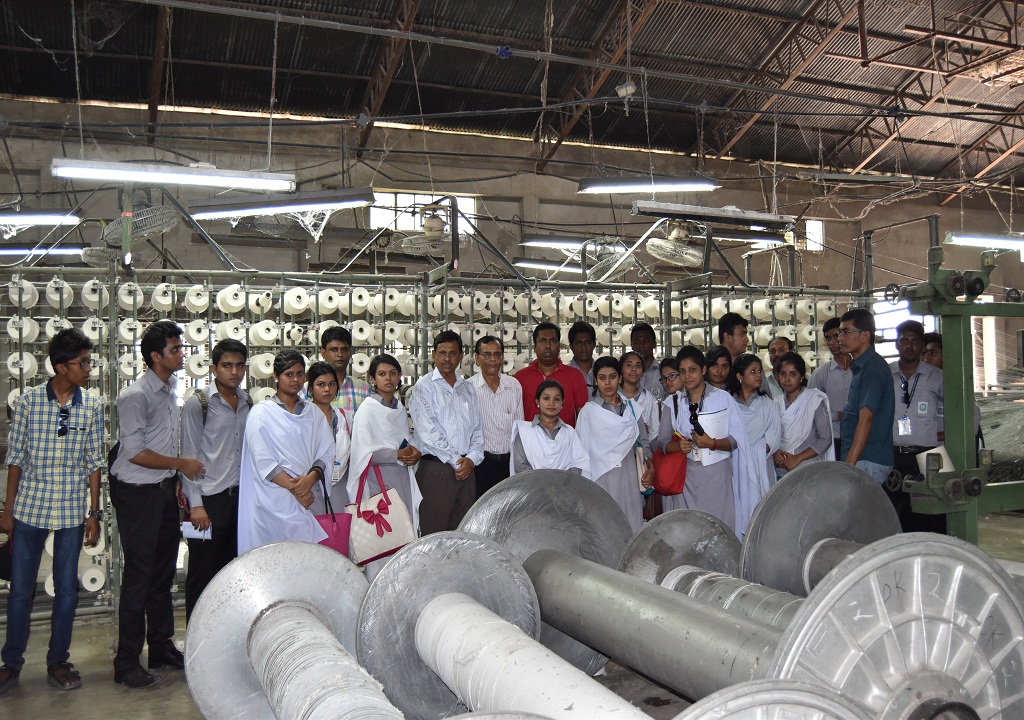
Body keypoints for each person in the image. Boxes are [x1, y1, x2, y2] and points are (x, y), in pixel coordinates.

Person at [0, 329, 103, 694]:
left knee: (68, 591)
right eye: (83, 362)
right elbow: (15, 459)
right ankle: (10, 663)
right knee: (20, 591)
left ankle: (58, 660)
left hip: (73, 510)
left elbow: (94, 462)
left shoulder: (91, 405)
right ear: (61, 366)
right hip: (30, 508)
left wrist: (95, 513)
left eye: (89, 361)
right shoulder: (28, 402)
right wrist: (8, 511)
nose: (89, 368)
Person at [109, 320, 203, 689]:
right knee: (139, 576)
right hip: (137, 495)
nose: (182, 353)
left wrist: (175, 479)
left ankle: (161, 646)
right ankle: (126, 662)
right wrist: (183, 466)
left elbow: (163, 444)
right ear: (155, 356)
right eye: (176, 349)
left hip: (162, 490)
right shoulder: (136, 396)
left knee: (162, 574)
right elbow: (133, 454)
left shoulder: (168, 388)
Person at [180, 338, 250, 623]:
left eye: (239, 366)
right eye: (227, 366)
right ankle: (196, 643)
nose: (234, 372)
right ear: (213, 368)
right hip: (209, 501)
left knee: (234, 572)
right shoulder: (199, 404)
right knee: (202, 574)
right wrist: (195, 504)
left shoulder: (249, 403)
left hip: (241, 500)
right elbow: (189, 455)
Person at [237, 351, 335, 554]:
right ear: (275, 376)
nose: (295, 379)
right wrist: (298, 491)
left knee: (305, 564)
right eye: (288, 374)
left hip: (308, 497)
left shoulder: (313, 413)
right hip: (273, 502)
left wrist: (310, 480)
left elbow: (326, 452)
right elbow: (264, 461)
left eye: (300, 374)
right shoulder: (261, 412)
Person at [656, 346, 755, 535]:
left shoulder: (722, 399)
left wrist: (713, 444)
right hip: (685, 477)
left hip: (717, 477)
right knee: (688, 532)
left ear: (703, 370)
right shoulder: (673, 402)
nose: (687, 376)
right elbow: (661, 441)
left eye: (692, 370)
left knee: (719, 530)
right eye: (682, 372)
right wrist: (676, 446)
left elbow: (736, 441)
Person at [347, 354, 423, 581]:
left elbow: (403, 441)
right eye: (382, 374)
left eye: (392, 373)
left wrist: (413, 453)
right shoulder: (368, 410)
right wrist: (396, 454)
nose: (388, 378)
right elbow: (362, 452)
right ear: (372, 379)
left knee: (403, 535)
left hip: (402, 478)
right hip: (378, 482)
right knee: (382, 539)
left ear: (400, 377)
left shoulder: (398, 409)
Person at [409, 331, 484, 534]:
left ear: (461, 356)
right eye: (442, 353)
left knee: (463, 534)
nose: (447, 358)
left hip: (467, 471)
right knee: (434, 536)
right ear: (434, 355)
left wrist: (472, 459)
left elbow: (477, 430)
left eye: (452, 353)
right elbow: (429, 432)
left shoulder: (468, 389)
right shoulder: (424, 388)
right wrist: (458, 461)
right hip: (436, 470)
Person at [576, 357, 653, 533]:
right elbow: (580, 453)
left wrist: (651, 467)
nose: (608, 383)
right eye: (602, 378)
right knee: (603, 529)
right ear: (595, 381)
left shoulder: (632, 409)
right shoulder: (588, 412)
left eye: (612, 376)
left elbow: (644, 444)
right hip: (601, 478)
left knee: (631, 525)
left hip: (629, 477)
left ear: (620, 378)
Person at [889, 321, 945, 532]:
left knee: (935, 514)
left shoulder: (936, 377)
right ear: (897, 344)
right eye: (904, 340)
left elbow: (963, 410)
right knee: (896, 513)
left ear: (922, 345)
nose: (909, 346)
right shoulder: (887, 374)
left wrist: (943, 434)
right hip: (894, 454)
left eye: (915, 341)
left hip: (930, 455)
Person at [837, 309, 895, 484]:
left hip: (867, 460)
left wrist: (850, 465)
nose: (840, 338)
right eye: (840, 333)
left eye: (846, 332)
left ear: (865, 336)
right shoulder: (862, 367)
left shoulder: (873, 370)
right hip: (861, 460)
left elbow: (866, 419)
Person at [468, 336, 523, 497]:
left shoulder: (513, 386)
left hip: (509, 464)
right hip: (480, 465)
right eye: (487, 354)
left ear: (503, 358)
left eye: (497, 354)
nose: (492, 359)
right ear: (477, 358)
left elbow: (519, 428)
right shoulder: (468, 389)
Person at [727, 354, 781, 510]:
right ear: (739, 376)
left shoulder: (768, 405)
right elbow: (726, 436)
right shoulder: (729, 405)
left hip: (761, 465)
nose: (758, 375)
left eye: (759, 371)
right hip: (735, 466)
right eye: (752, 371)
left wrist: (755, 450)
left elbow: (774, 438)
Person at [510, 380, 590, 477]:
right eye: (546, 398)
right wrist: (544, 484)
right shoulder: (524, 432)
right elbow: (520, 466)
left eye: (556, 399)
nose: (551, 403)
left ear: (562, 403)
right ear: (537, 402)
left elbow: (578, 463)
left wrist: (562, 483)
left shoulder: (569, 432)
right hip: (533, 488)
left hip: (564, 489)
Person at [514, 322, 589, 427]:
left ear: (559, 346)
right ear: (535, 347)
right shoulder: (520, 378)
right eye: (542, 341)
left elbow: (583, 417)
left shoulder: (575, 376)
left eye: (553, 341)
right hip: (530, 441)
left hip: (565, 441)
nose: (548, 346)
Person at [772, 352, 834, 476]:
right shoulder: (775, 404)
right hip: (781, 470)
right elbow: (771, 438)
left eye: (793, 374)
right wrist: (775, 453)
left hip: (808, 469)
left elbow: (826, 438)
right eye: (783, 374)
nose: (787, 379)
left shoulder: (814, 400)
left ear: (801, 377)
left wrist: (797, 458)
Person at [306, 361, 350, 509]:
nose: (327, 389)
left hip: (340, 487)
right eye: (321, 384)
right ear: (310, 387)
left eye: (332, 384)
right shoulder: (303, 418)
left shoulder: (343, 417)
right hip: (310, 487)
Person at [809, 317, 852, 459]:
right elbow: (811, 411)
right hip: (833, 441)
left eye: (836, 336)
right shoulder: (820, 374)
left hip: (859, 438)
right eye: (828, 338)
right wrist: (836, 415)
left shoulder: (861, 370)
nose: (832, 343)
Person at [316, 326, 371, 419]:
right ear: (323, 353)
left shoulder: (364, 390)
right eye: (334, 350)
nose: (339, 354)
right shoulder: (307, 391)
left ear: (350, 352)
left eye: (344, 350)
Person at [620, 351, 660, 445]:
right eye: (629, 365)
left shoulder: (648, 397)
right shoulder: (614, 396)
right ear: (621, 369)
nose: (633, 369)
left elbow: (655, 430)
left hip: (643, 450)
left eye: (638, 366)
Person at [630, 322, 664, 400]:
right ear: (631, 345)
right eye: (636, 342)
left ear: (654, 344)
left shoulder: (662, 374)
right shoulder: (624, 375)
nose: (641, 345)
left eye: (646, 341)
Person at [567, 320, 597, 392]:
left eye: (587, 342)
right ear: (571, 346)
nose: (583, 348)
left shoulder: (602, 371)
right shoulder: (565, 374)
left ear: (594, 344)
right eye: (578, 343)